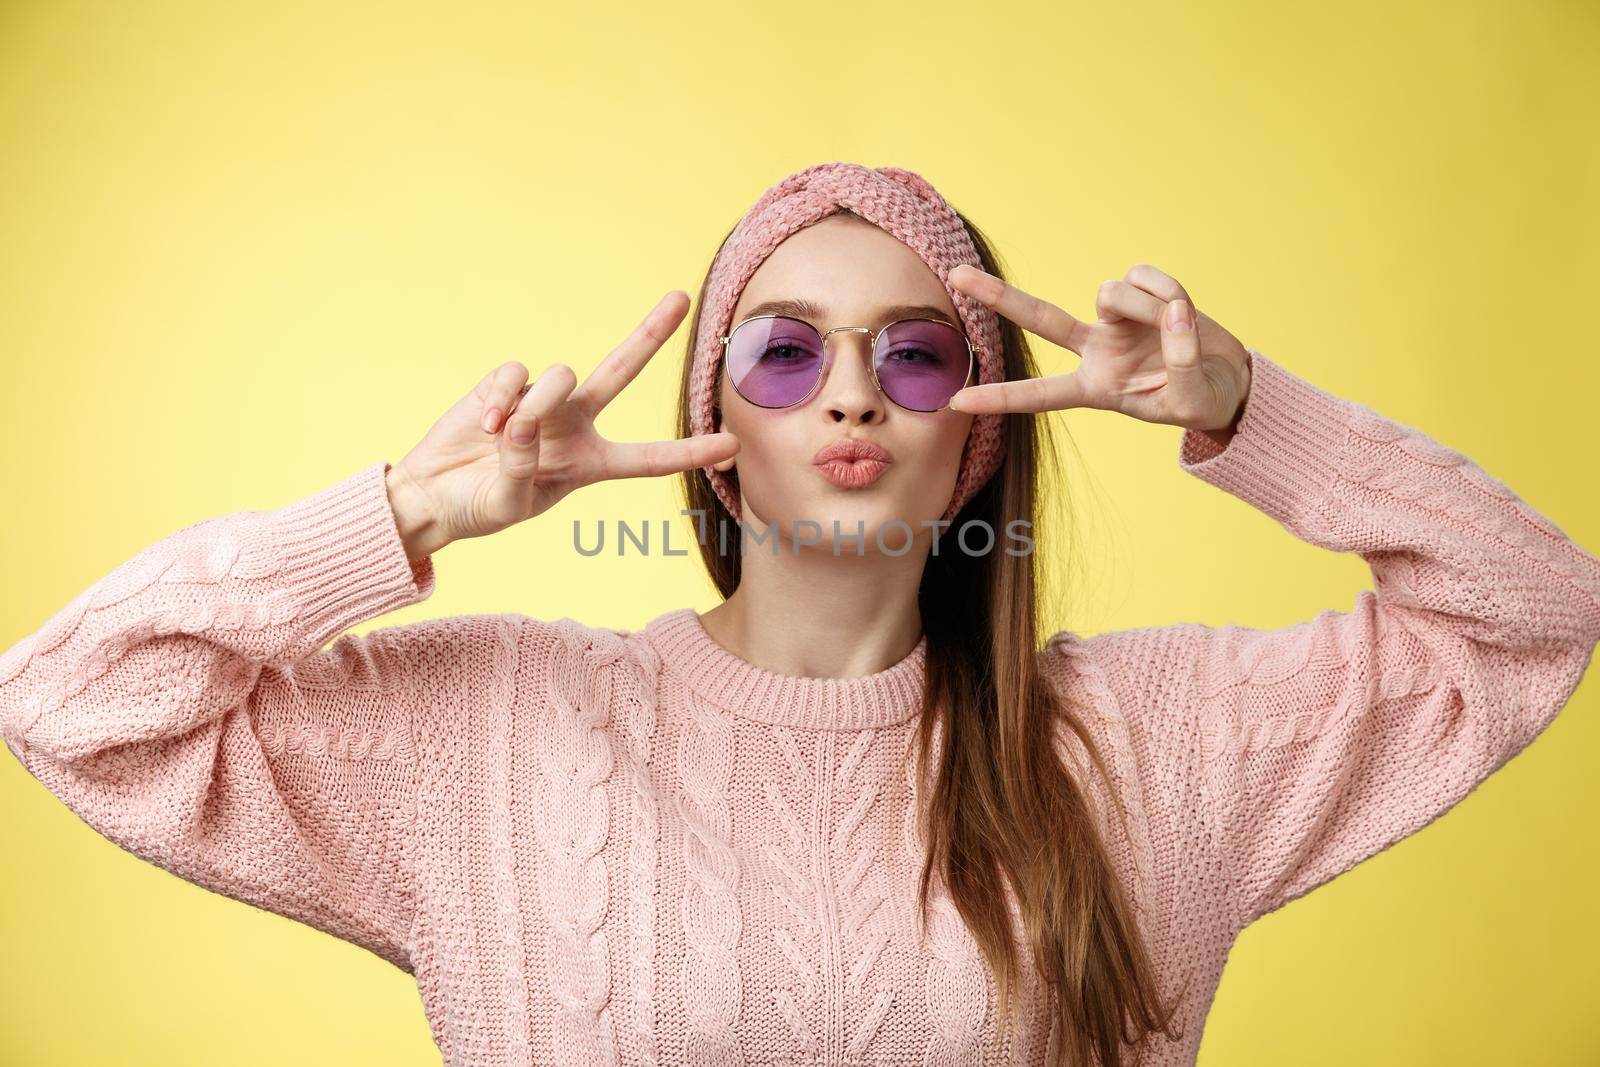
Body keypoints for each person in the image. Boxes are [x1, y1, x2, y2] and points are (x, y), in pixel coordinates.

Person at [2, 160, 1597, 1067]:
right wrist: (405, 514)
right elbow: (71, 703)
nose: (852, 392)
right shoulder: (493, 734)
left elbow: (1532, 616)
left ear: (977, 430)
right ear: (717, 432)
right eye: (784, 352)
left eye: (913, 354)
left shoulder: (1148, 749)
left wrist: (1252, 412)